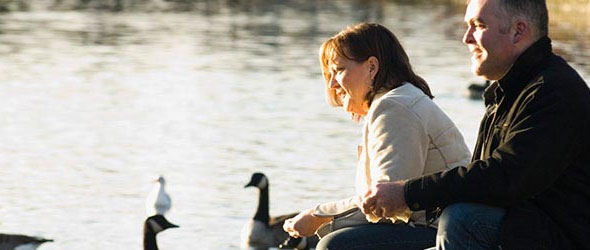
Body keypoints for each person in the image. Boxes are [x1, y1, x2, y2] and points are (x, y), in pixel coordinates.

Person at [361, 0, 590, 249]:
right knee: (344, 243)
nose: (466, 38)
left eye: (478, 26)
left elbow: (506, 178)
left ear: (518, 31)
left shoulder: (553, 91)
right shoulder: (507, 91)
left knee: (463, 218)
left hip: (556, 237)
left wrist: (409, 193)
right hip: (516, 231)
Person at [282, 22, 472, 249]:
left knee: (336, 245)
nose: (332, 83)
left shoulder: (394, 108)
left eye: (339, 70)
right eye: (330, 74)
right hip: (434, 225)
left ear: (372, 67)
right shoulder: (399, 101)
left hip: (445, 230)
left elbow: (386, 205)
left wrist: (319, 215)